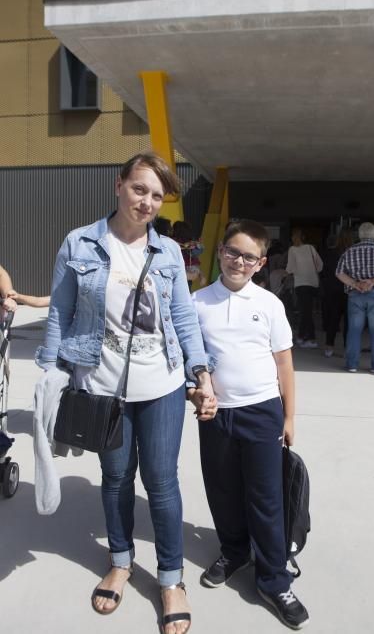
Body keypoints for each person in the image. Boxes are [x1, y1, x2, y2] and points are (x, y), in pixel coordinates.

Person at [36, 151, 216, 634]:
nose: (147, 202)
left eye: (157, 196)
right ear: (119, 186)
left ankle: (172, 578)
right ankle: (119, 560)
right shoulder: (79, 243)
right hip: (101, 386)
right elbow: (60, 312)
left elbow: (182, 318)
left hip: (162, 385)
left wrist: (201, 375)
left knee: (161, 482)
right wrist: (52, 374)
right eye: (140, 189)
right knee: (115, 478)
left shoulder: (170, 253)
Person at [189, 220, 309, 630]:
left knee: (266, 497)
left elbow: (284, 363)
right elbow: (190, 361)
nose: (239, 261)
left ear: (260, 263)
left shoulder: (269, 305)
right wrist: (197, 393)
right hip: (216, 414)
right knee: (222, 489)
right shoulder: (197, 302)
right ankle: (234, 550)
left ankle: (274, 579)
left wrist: (289, 416)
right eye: (233, 251)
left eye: (249, 256)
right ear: (220, 250)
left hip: (262, 412)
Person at [336, 222, 374, 373]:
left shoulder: (349, 251)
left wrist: (355, 284)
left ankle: (352, 364)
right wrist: (373, 282)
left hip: (356, 295)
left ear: (359, 235)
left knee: (354, 330)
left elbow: (339, 273)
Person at [286, 227, 322, 348]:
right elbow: (320, 265)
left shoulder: (292, 250)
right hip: (313, 283)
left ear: (294, 238)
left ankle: (310, 338)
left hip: (301, 283)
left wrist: (287, 272)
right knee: (307, 311)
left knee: (305, 312)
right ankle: (302, 336)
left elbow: (290, 268)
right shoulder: (311, 248)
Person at [321, 229, 353, 357]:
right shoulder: (352, 254)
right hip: (349, 290)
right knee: (348, 321)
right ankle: (346, 347)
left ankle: (329, 346)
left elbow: (324, 272)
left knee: (333, 320)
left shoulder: (330, 253)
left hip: (332, 290)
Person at [172, 220, 207, 290]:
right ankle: (201, 276)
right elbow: (199, 251)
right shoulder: (191, 241)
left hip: (180, 267)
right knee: (188, 286)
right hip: (191, 266)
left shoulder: (172, 241)